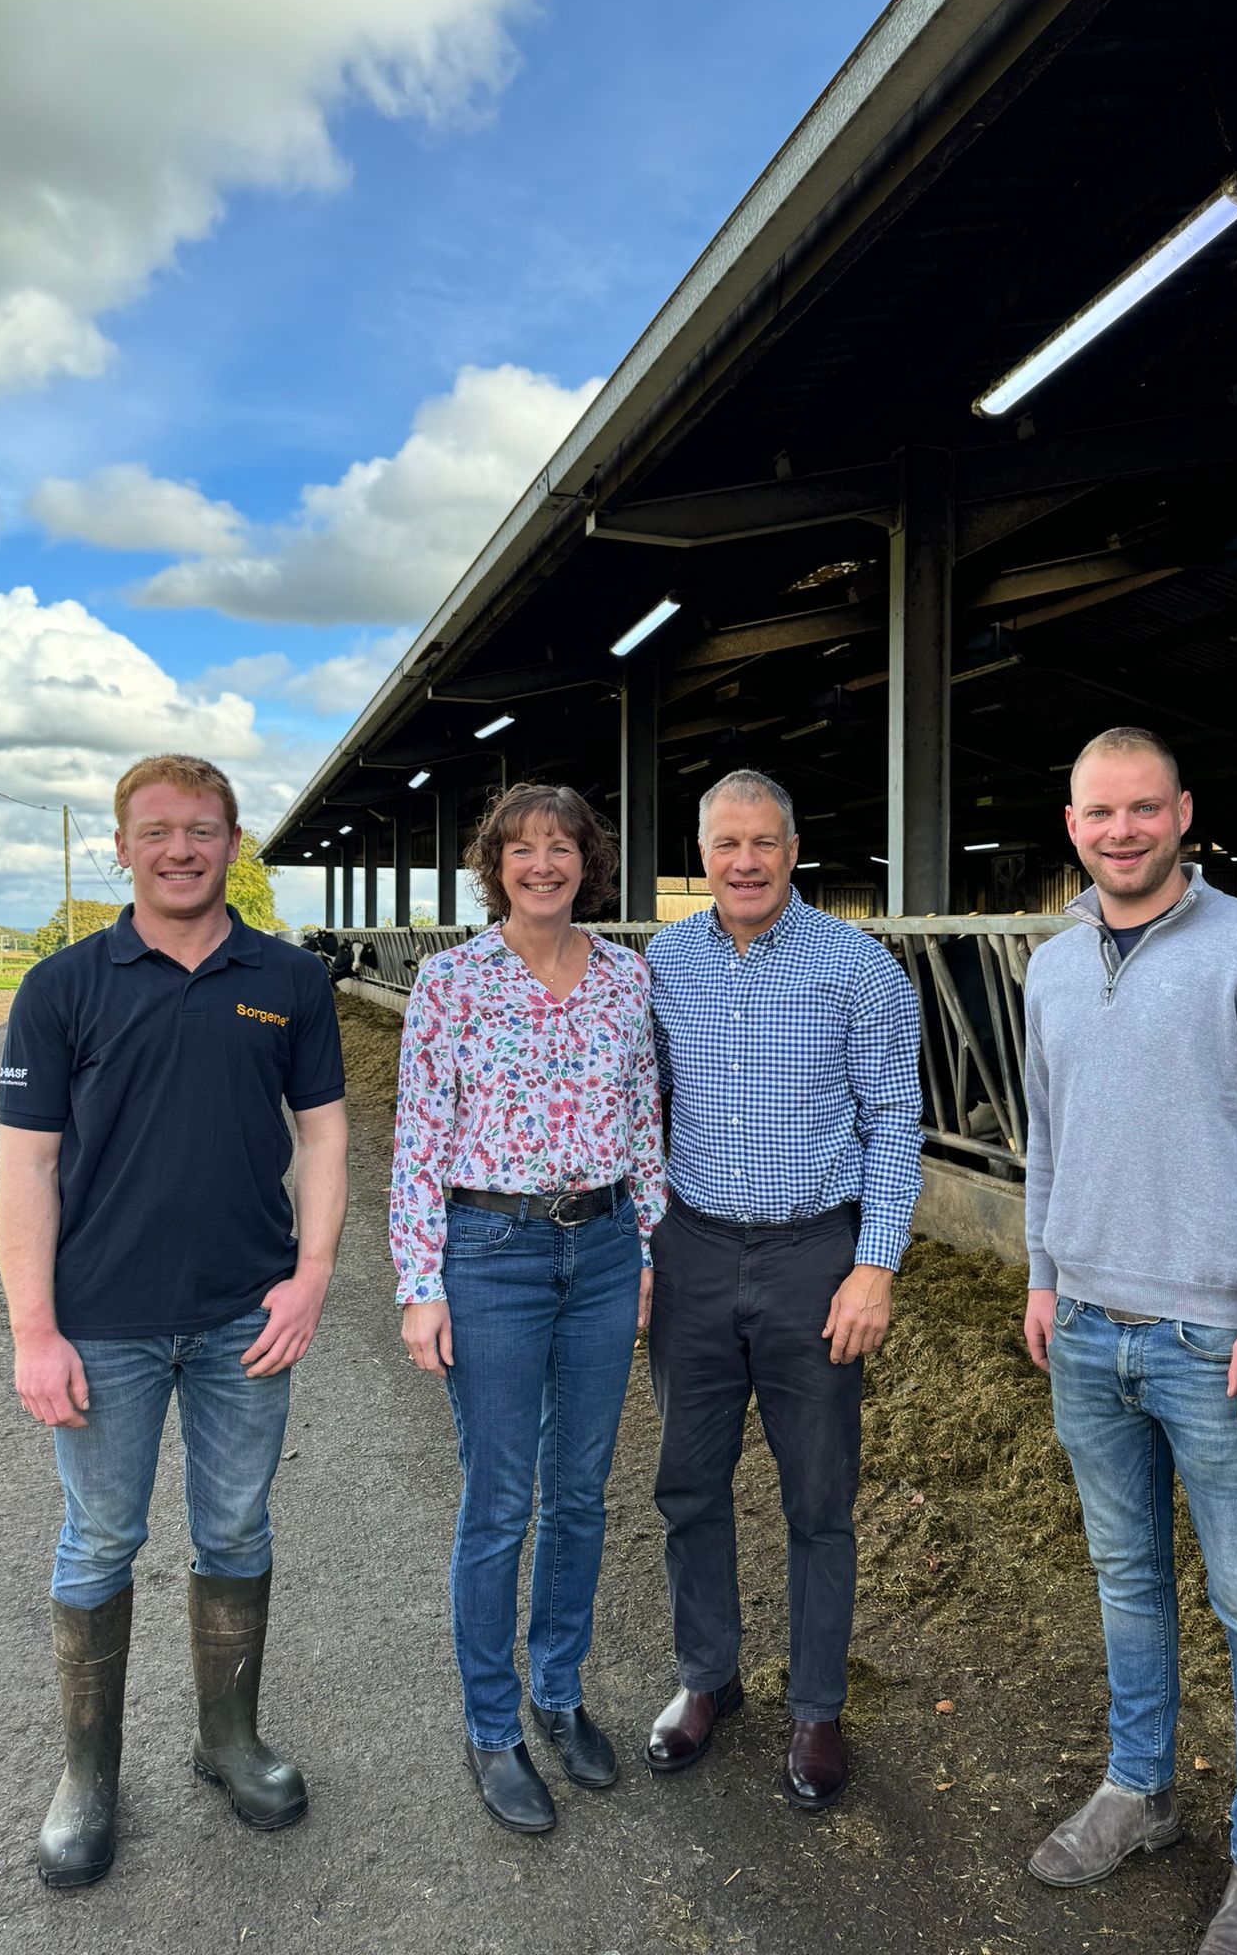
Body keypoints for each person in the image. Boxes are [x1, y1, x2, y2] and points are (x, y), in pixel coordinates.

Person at [0, 754, 348, 1888]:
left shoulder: (289, 978)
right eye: (157, 830)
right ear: (122, 846)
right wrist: (34, 1328)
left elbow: (328, 1136)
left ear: (235, 844)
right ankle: (87, 1777)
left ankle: (226, 1739)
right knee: (100, 1536)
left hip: (247, 1314)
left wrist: (312, 1274)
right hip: (104, 1322)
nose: (181, 848)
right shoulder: (63, 986)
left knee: (236, 1529)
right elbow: (28, 1168)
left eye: (202, 829)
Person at [1021, 727, 1237, 1955]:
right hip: (1089, 1325)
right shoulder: (1049, 966)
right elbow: (1047, 1133)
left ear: (1185, 812)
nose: (1123, 830)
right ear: (1072, 823)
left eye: (1145, 809)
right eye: (1102, 812)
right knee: (1126, 1575)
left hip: (1220, 1336)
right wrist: (1046, 1275)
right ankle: (1141, 1787)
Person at [643, 768, 922, 1811]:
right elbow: (638, 1111)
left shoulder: (861, 967)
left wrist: (875, 1263)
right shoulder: (660, 963)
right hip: (694, 1248)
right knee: (687, 1478)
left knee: (817, 1491)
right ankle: (706, 1675)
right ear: (701, 852)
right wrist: (638, 1251)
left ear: (795, 849)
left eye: (764, 841)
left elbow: (895, 1120)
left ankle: (816, 1703)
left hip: (815, 1253)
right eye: (726, 843)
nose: (745, 860)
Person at [392, 782, 666, 1835]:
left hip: (599, 1245)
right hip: (490, 1251)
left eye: (562, 847)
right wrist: (420, 1282)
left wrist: (643, 1250)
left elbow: (645, 1123)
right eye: (522, 848)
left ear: (585, 861)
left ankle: (559, 1690)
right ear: (494, 863)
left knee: (584, 1490)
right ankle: (493, 1721)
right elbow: (420, 1135)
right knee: (500, 1495)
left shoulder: (624, 977)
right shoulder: (451, 979)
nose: (543, 863)